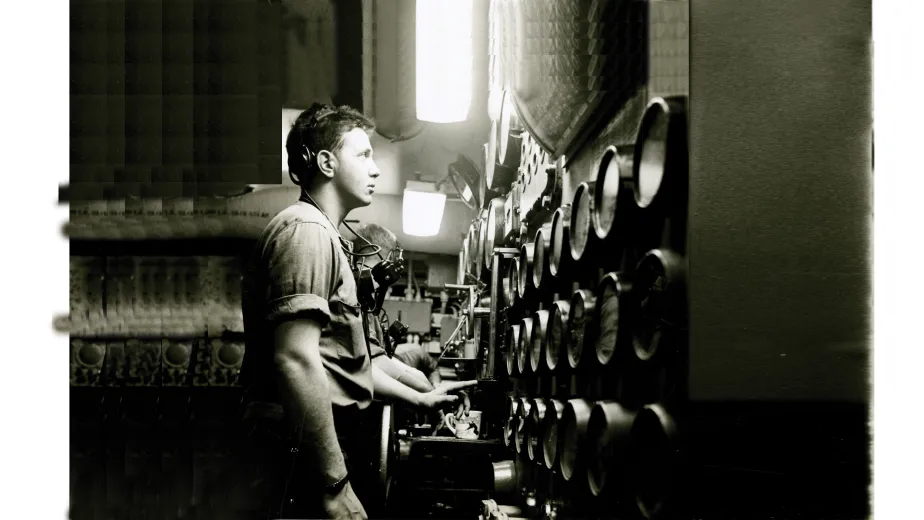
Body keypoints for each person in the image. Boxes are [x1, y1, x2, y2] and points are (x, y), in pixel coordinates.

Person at [241, 103, 475, 519]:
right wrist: (334, 485)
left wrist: (419, 398)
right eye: (364, 154)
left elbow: (344, 364)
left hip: (311, 443)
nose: (377, 169)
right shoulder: (306, 231)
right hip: (298, 448)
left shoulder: (324, 236)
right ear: (327, 163)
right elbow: (295, 359)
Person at [350, 223, 435, 393]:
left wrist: (427, 386)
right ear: (387, 261)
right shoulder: (352, 297)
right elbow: (375, 362)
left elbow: (381, 358)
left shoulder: (366, 301)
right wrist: (427, 393)